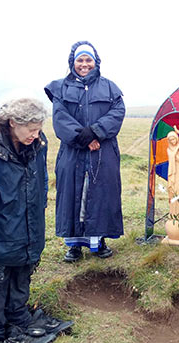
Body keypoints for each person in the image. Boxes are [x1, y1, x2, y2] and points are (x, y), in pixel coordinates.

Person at [0, 98, 72, 343]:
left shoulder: (37, 143)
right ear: (12, 123)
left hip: (27, 221)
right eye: (31, 129)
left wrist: (39, 208)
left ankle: (18, 317)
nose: (36, 134)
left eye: (39, 128)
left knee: (23, 266)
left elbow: (42, 178)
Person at [44, 41, 125, 262]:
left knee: (100, 194)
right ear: (73, 62)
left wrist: (96, 132)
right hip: (73, 153)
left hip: (103, 152)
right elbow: (60, 118)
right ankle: (73, 246)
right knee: (73, 194)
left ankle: (98, 242)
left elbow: (118, 113)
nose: (84, 64)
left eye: (88, 59)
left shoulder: (109, 88)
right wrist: (85, 138)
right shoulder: (60, 88)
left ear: (96, 62)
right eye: (80, 60)